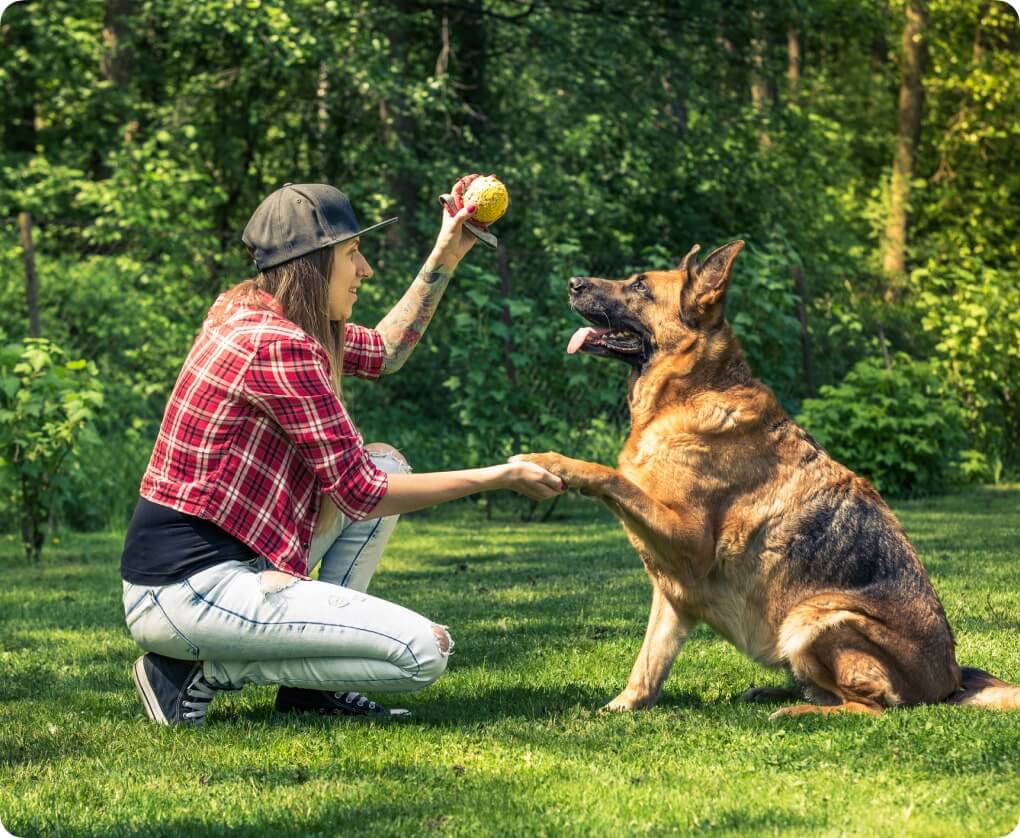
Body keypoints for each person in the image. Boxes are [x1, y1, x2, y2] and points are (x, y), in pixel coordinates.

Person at [120, 178, 564, 727]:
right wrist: (497, 475)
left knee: (387, 461)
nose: (366, 269)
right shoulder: (278, 345)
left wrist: (449, 247)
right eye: (352, 254)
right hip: (188, 589)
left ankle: (310, 693)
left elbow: (384, 351)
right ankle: (193, 674)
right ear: (312, 262)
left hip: (219, 567)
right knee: (424, 652)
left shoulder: (257, 311)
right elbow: (361, 494)